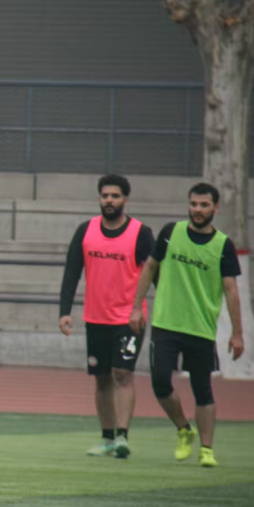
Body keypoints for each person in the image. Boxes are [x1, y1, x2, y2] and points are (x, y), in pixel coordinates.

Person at [130, 182, 244, 468]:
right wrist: (136, 307)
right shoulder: (171, 232)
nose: (198, 209)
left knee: (202, 389)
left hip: (200, 328)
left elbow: (231, 290)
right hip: (166, 323)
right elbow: (150, 267)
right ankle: (183, 429)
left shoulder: (223, 245)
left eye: (204, 205)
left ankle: (207, 449)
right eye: (194, 204)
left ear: (216, 208)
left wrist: (237, 333)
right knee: (159, 382)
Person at [59, 175, 154, 459]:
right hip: (96, 318)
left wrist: (150, 311)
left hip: (129, 319)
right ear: (99, 198)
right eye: (105, 196)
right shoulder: (86, 230)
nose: (109, 200)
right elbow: (72, 271)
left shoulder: (141, 233)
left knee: (123, 374)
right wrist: (64, 311)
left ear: (125, 200)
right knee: (101, 378)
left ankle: (123, 436)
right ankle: (107, 438)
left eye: (115, 196)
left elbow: (156, 274)